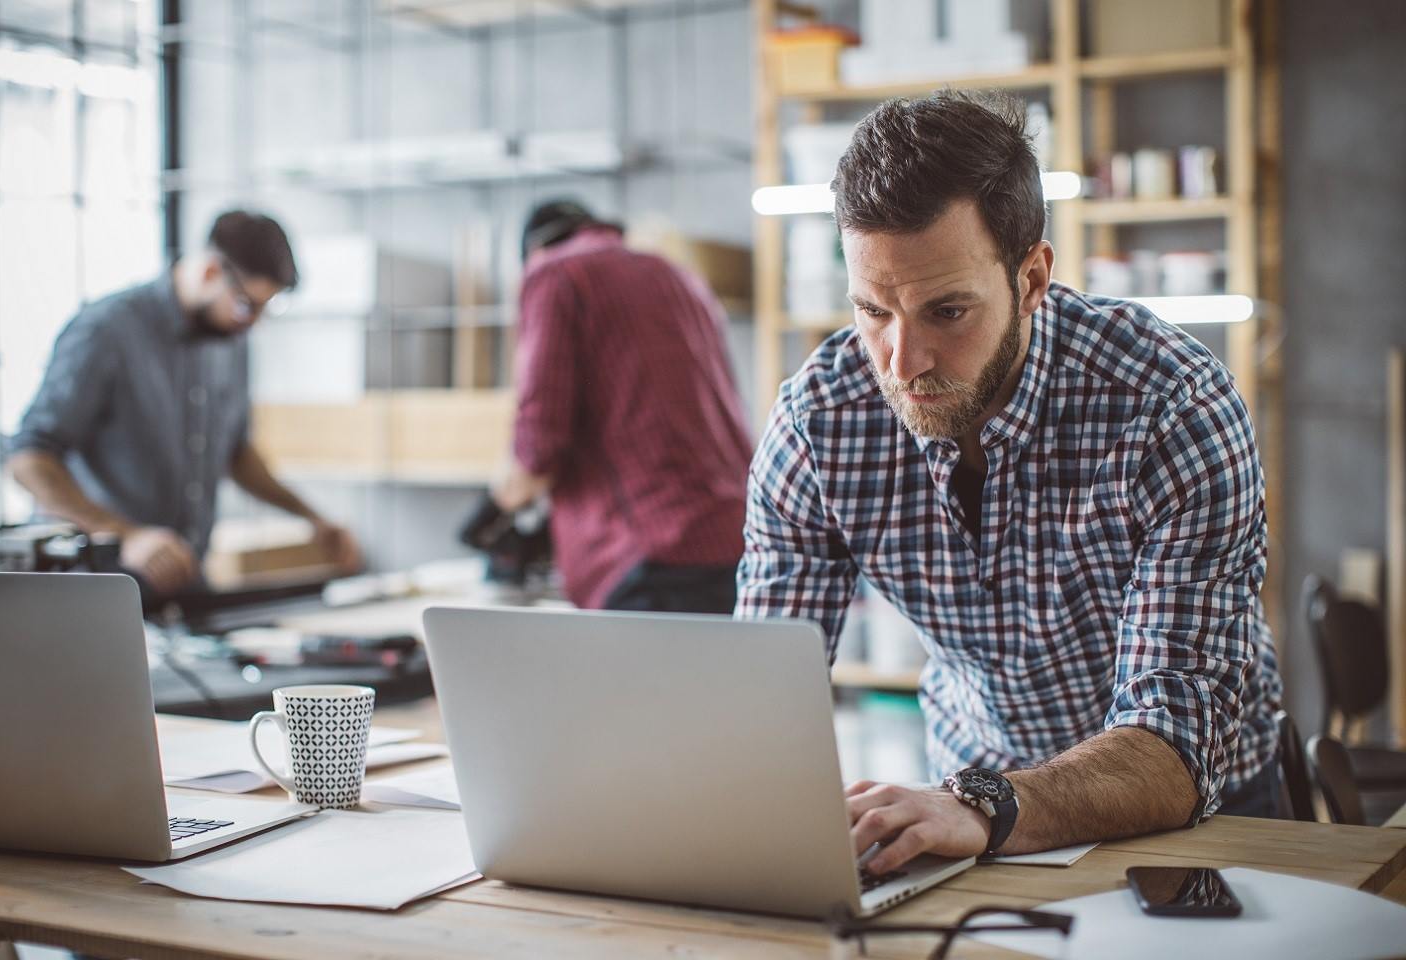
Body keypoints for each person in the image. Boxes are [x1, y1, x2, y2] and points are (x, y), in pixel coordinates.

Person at [736, 92, 1283, 871]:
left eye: (947, 312)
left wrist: (980, 804)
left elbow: (1178, 745)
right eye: (873, 312)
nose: (902, 363)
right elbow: (758, 691)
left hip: (1197, 812)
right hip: (972, 813)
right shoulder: (820, 419)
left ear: (1032, 278)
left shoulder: (1170, 406)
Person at [8, 210, 361, 601]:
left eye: (265, 310)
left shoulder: (231, 341)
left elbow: (236, 453)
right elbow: (28, 457)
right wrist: (125, 536)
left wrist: (311, 517)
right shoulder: (106, 330)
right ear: (210, 271)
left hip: (184, 587)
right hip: (98, 591)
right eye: (248, 304)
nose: (254, 323)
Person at [487, 200, 753, 614]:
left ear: (533, 251)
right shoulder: (679, 276)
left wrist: (493, 508)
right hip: (733, 542)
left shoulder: (554, 274)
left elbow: (538, 449)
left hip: (648, 560)